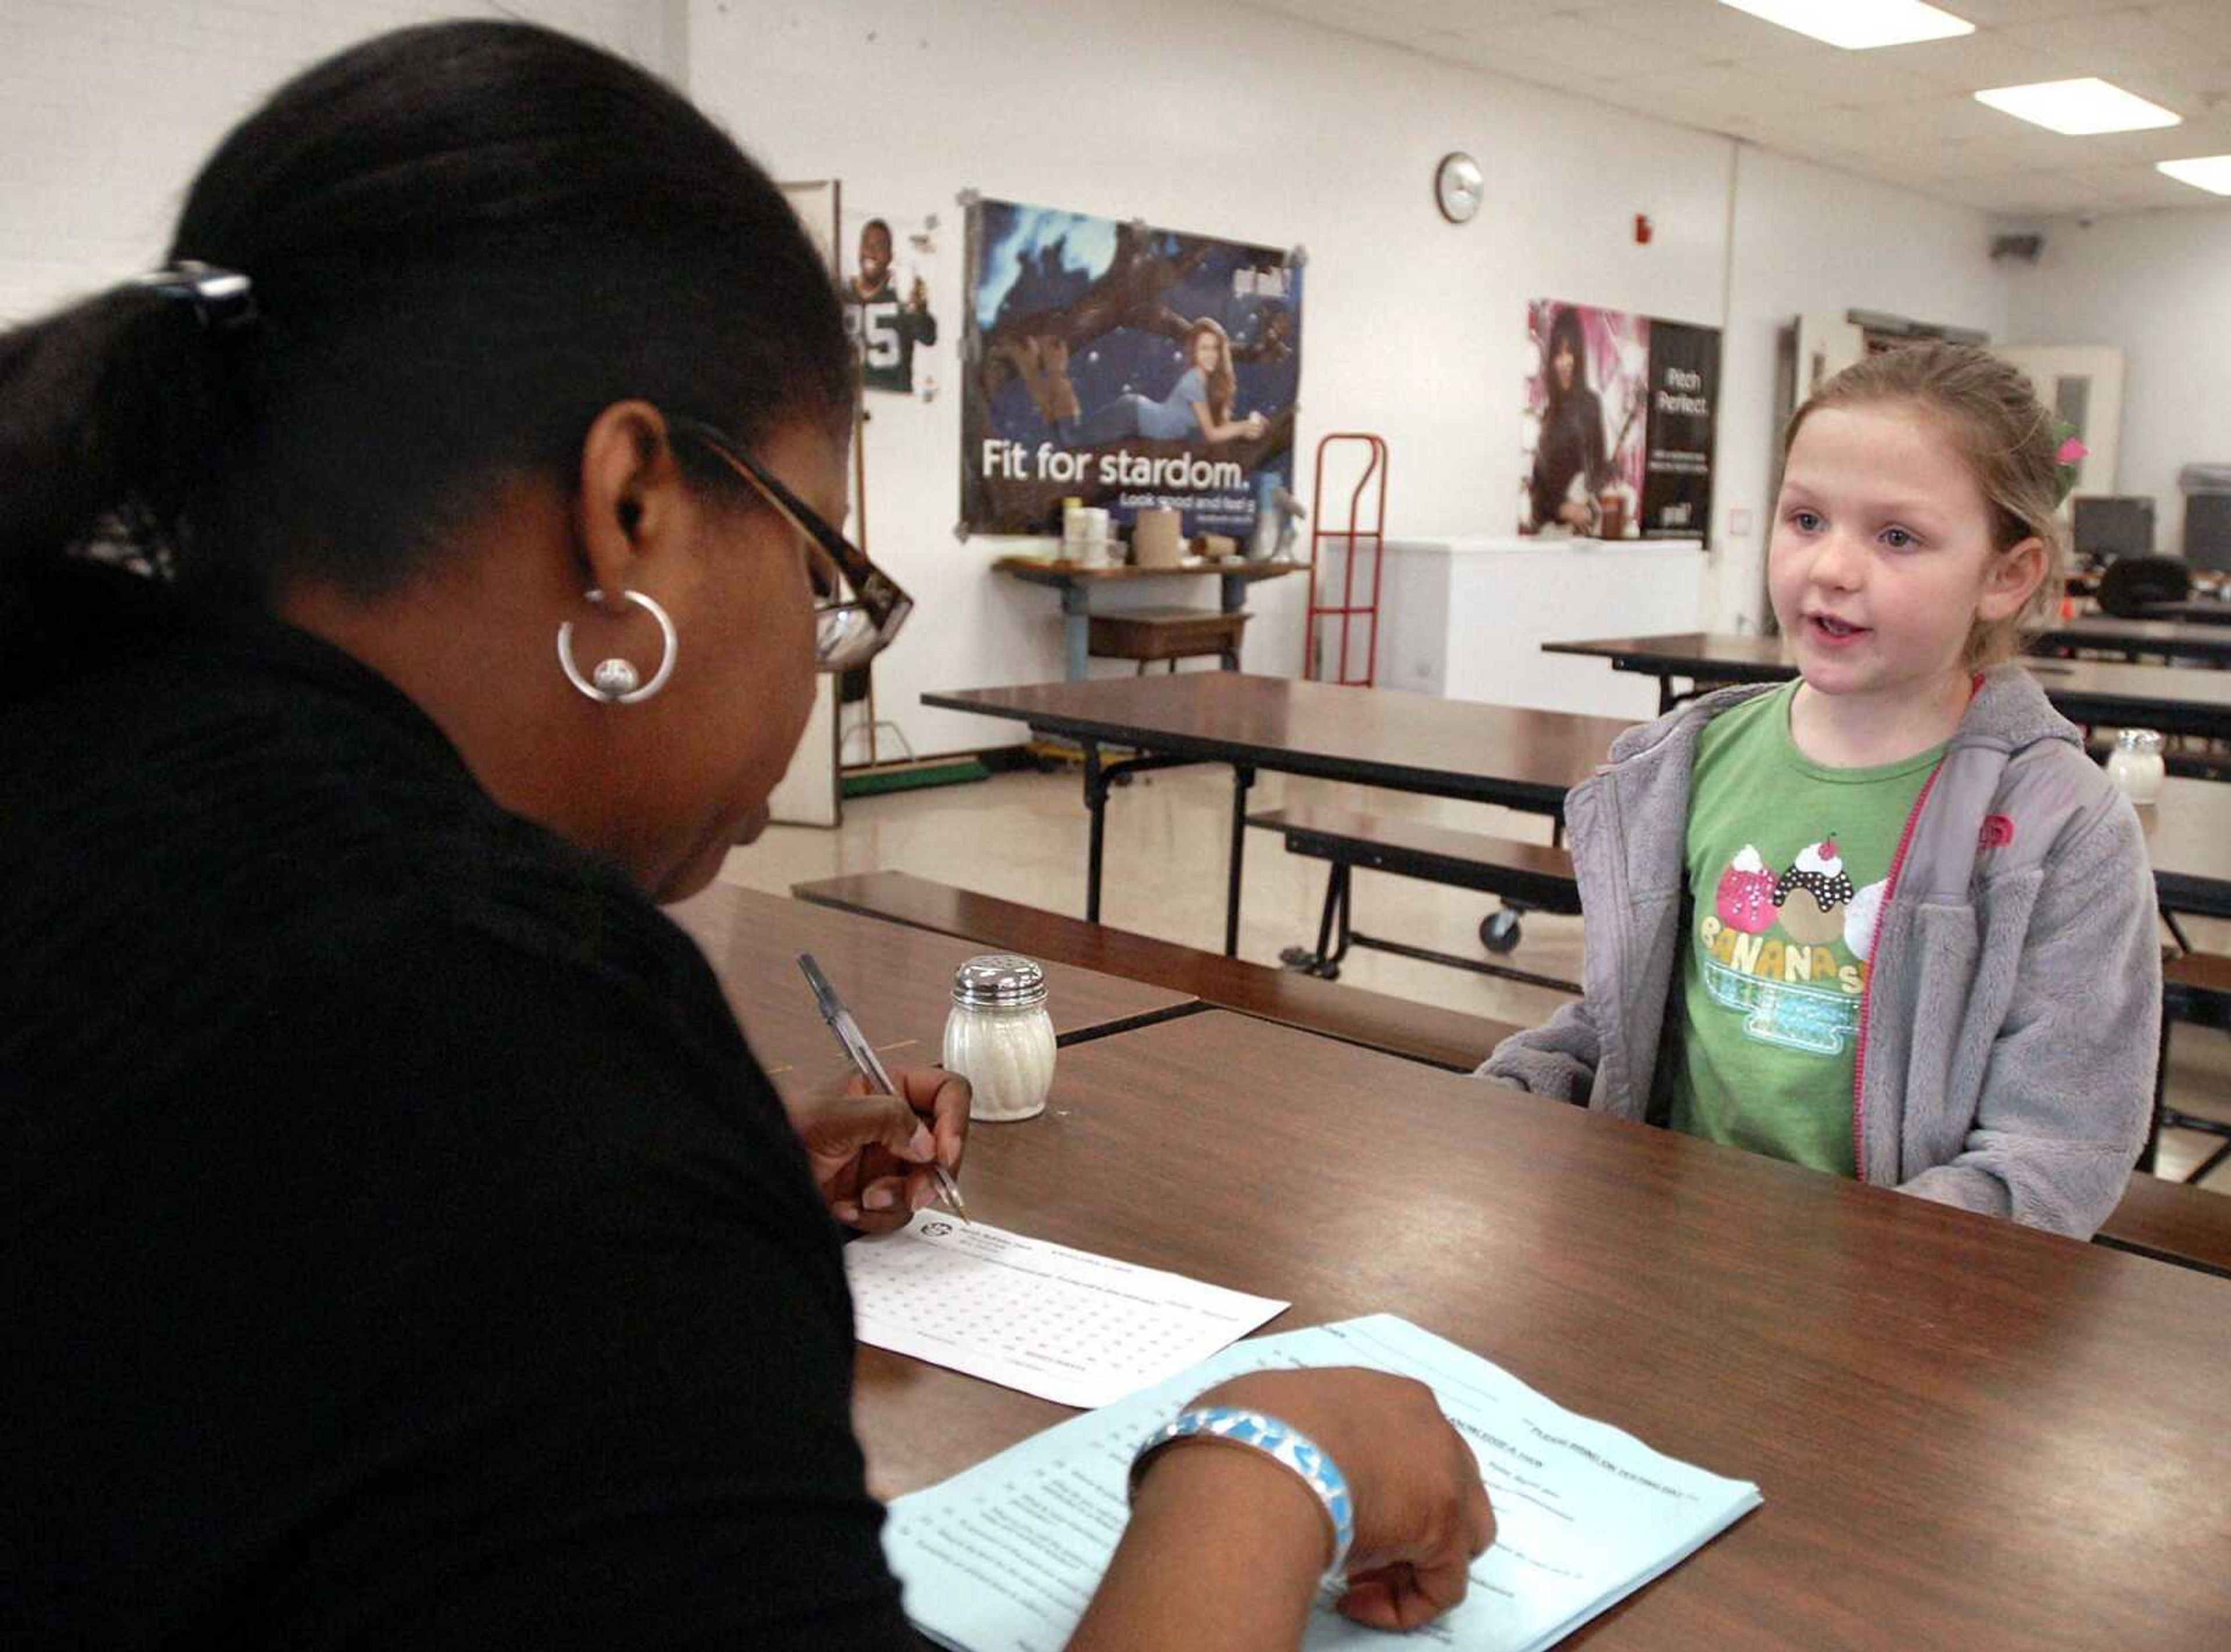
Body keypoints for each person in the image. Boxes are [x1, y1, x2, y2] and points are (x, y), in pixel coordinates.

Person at [0, 21, 1490, 1647]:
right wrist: (1273, 1463)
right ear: (630, 505)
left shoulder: (95, 751)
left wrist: (693, 1201)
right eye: (818, 560)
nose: (818, 635)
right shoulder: (495, 1032)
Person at [1481, 342, 2157, 1240]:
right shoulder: (1693, 760)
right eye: (1806, 520)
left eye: (1897, 537)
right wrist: (1519, 1089)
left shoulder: (2062, 825)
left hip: (1896, 1297)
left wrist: (1873, 1270)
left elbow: (2056, 1149)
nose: (1833, 567)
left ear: (2006, 576)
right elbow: (1632, 1017)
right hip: (1670, 1254)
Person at [1068, 316, 1267, 446]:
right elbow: (1212, 434)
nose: (1210, 355)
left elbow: (1219, 430)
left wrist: (1248, 428)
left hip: (1141, 417)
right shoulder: (1194, 380)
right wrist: (1242, 427)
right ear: (1195, 352)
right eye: (1204, 349)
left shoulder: (1211, 383)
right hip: (1132, 414)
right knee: (1076, 442)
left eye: (1214, 348)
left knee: (1080, 442)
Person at [1526, 303, 1609, 533]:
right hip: (1548, 533)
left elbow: (1598, 473)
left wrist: (1589, 509)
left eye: (1570, 352)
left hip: (1578, 538)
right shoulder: (1547, 415)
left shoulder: (1591, 405)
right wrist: (1563, 508)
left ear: (1579, 355)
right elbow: (1538, 492)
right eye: (1559, 354)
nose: (1565, 361)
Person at [842, 217, 937, 396]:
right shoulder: (844, 295)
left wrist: (919, 310)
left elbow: (929, 337)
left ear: (890, 257)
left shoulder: (902, 294)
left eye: (880, 245)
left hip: (894, 405)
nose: (871, 250)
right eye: (866, 243)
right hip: (850, 402)